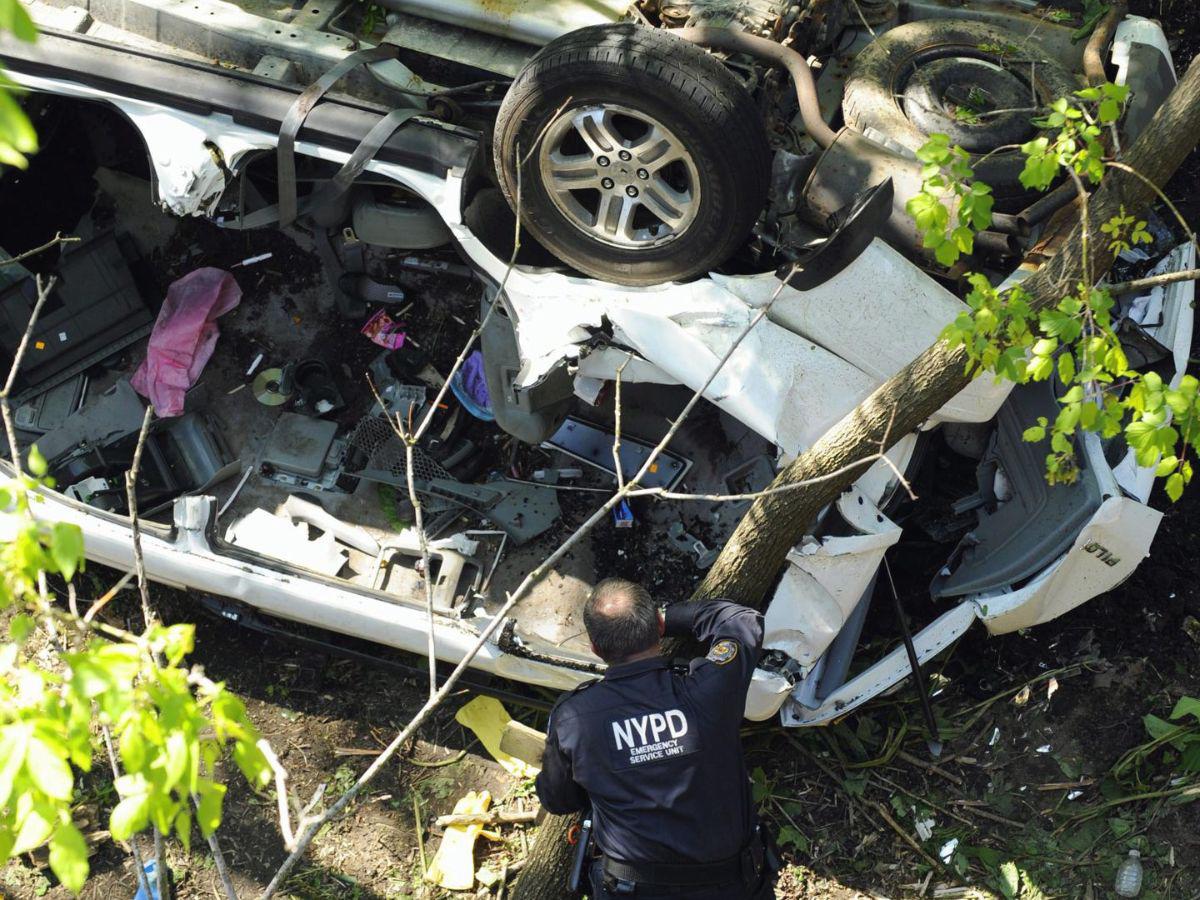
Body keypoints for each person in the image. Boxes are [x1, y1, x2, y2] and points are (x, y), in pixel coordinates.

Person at [536, 577, 778, 898]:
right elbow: (741, 621)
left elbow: (558, 800)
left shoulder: (574, 718)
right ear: (658, 629)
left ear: (595, 648)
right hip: (734, 886)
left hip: (633, 890)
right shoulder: (709, 689)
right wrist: (668, 616)